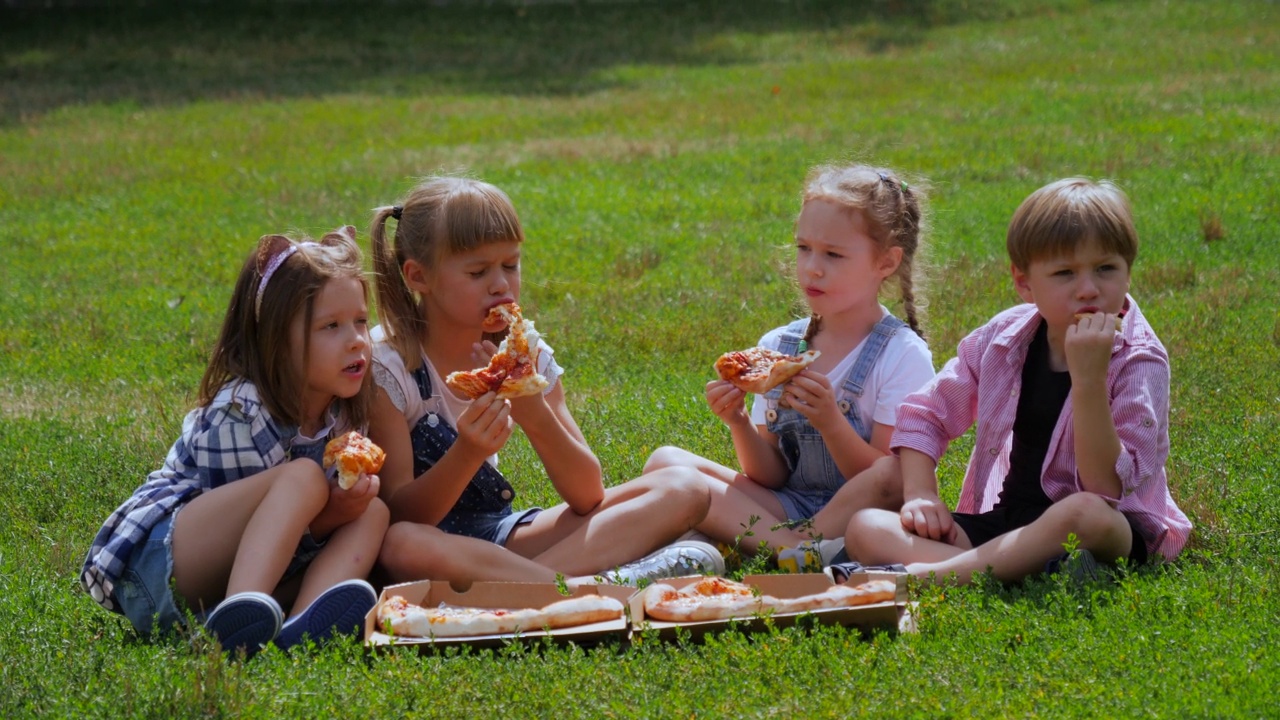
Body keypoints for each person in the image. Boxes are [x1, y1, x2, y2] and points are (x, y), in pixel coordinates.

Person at [366, 176, 719, 589]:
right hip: (431, 546)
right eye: (478, 271)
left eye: (510, 265)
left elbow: (588, 494)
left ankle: (540, 588)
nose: (501, 284)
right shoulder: (388, 367)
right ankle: (585, 588)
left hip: (502, 539)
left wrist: (535, 413)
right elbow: (401, 514)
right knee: (402, 544)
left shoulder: (525, 352)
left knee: (685, 487)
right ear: (418, 277)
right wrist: (468, 452)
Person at [841, 177, 1192, 585]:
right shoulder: (1005, 338)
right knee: (866, 527)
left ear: (1128, 274)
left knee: (1084, 511)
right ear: (1024, 283)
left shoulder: (1139, 358)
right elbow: (926, 414)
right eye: (1064, 273)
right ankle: (1018, 570)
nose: (1089, 289)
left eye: (1106, 269)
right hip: (1010, 522)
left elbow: (1106, 487)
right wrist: (921, 494)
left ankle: (926, 576)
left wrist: (1089, 379)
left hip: (1107, 529)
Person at [81, 226, 390, 656]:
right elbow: (249, 534)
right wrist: (326, 516)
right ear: (276, 342)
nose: (357, 339)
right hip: (167, 568)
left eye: (360, 320)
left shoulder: (341, 415)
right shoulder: (242, 412)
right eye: (331, 326)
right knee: (304, 477)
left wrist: (344, 513)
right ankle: (237, 620)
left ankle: (298, 625)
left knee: (372, 511)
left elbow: (282, 539)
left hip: (241, 576)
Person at [643, 163, 935, 571]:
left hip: (858, 515)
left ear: (885, 263)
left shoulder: (901, 354)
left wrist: (832, 422)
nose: (812, 267)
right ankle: (796, 550)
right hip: (788, 507)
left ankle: (771, 544)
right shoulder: (778, 346)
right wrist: (739, 422)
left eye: (833, 254)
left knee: (891, 469)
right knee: (665, 461)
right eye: (804, 248)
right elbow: (772, 475)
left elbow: (890, 483)